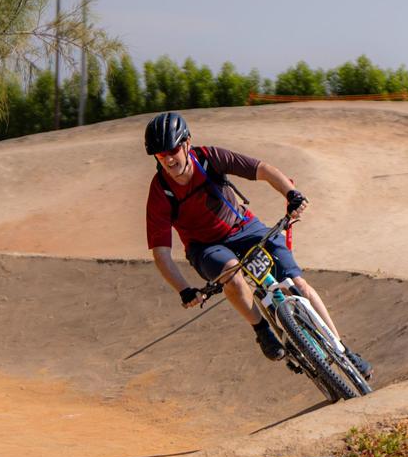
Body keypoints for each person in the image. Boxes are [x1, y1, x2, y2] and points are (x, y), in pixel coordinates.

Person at [145, 111, 372, 376]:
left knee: (298, 285)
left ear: (187, 143)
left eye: (173, 150)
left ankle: (343, 349)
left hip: (245, 227)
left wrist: (292, 194)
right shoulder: (160, 192)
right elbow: (161, 253)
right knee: (232, 275)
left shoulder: (210, 158)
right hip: (206, 247)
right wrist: (184, 290)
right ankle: (262, 330)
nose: (168, 159)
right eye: (161, 154)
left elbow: (262, 170)